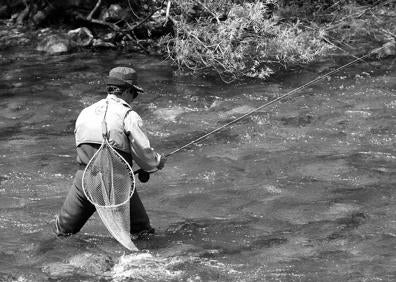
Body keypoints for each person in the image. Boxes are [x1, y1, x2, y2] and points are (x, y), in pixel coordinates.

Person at [55, 66, 165, 238]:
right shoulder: (128, 115)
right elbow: (146, 158)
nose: (134, 98)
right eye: (135, 93)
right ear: (128, 90)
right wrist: (158, 162)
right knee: (143, 232)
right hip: (116, 184)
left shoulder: (85, 113)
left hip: (84, 181)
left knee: (63, 231)